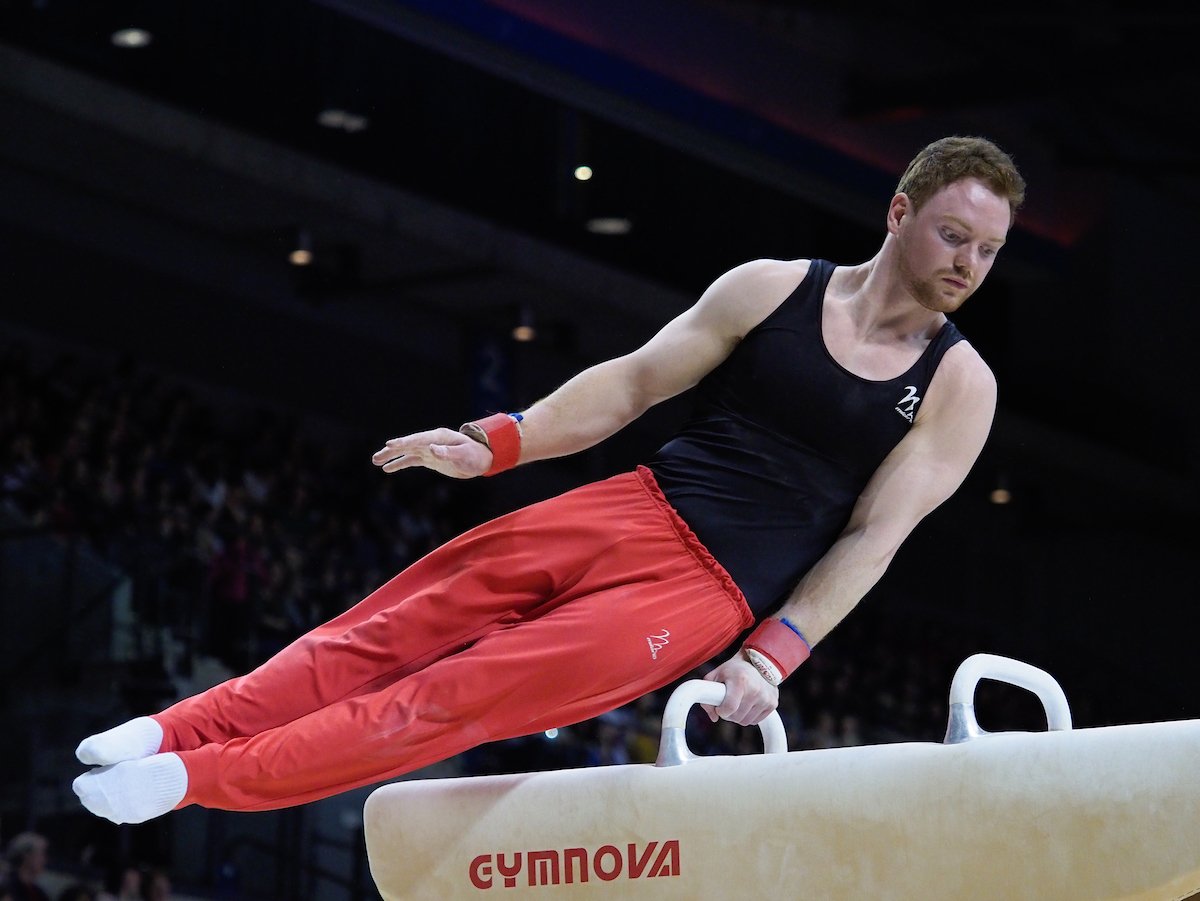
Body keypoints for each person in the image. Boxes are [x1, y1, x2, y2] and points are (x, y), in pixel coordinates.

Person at [71, 135, 1024, 824]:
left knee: (450, 696)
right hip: (628, 506)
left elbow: (873, 537)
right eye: (953, 236)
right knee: (384, 630)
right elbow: (635, 383)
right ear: (899, 211)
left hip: (701, 595)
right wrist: (499, 441)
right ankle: (173, 730)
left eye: (987, 251)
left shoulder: (957, 385)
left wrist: (771, 656)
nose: (967, 266)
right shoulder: (772, 287)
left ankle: (201, 781)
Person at [2, 832, 50, 901]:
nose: (45, 860)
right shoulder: (6, 888)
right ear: (27, 856)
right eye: (42, 854)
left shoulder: (39, 894)